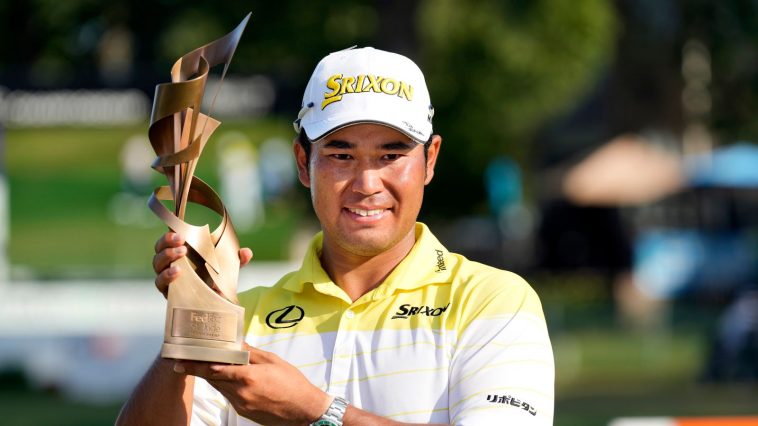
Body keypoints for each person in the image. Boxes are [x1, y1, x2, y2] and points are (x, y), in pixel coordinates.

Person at [117, 46, 554, 425]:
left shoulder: (494, 301)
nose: (366, 182)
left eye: (391, 154)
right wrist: (192, 324)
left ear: (430, 159)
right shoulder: (241, 319)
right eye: (341, 154)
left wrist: (317, 412)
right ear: (303, 163)